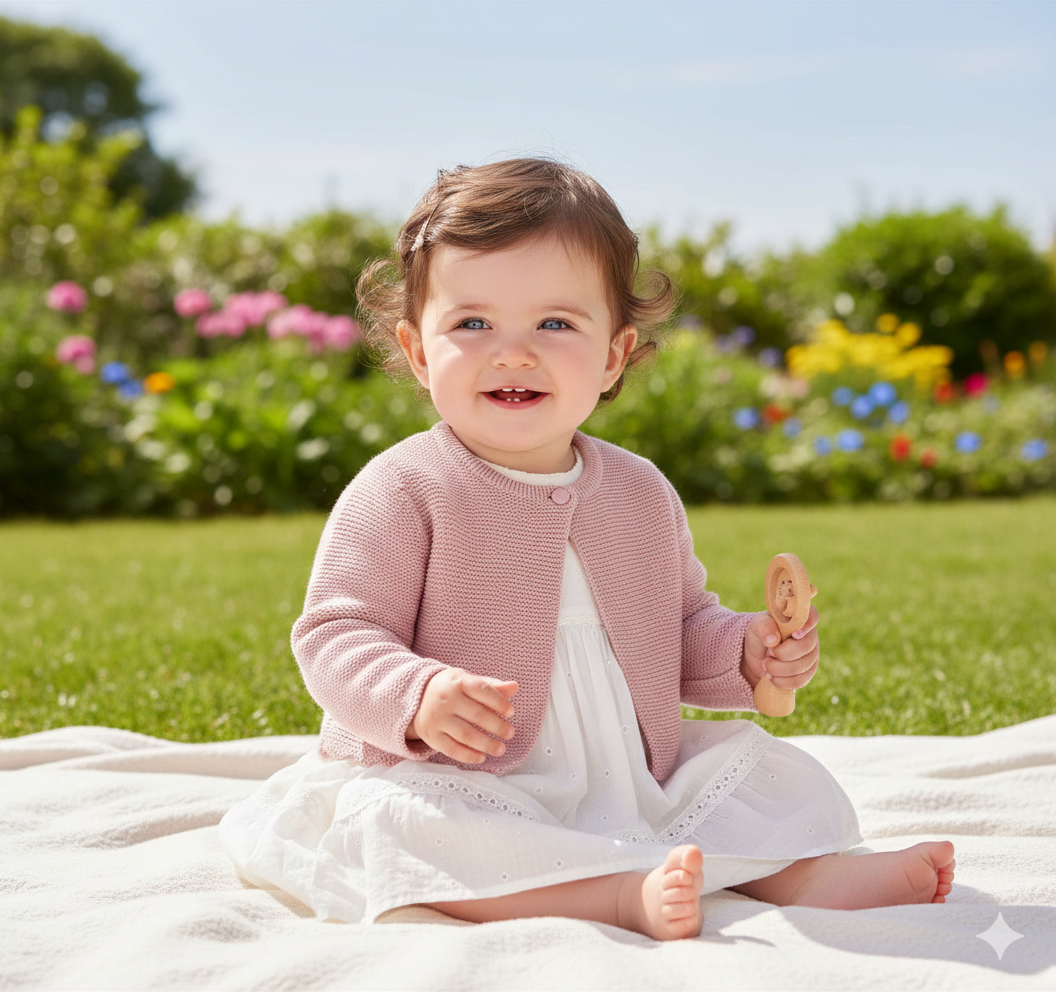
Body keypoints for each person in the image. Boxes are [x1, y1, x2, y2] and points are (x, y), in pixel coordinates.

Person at [219, 158, 955, 940]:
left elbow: (680, 628)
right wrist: (418, 697)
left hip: (627, 774)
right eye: (472, 323)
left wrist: (746, 653)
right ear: (420, 348)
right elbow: (336, 633)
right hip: (464, 777)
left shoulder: (639, 492)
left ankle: (809, 872)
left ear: (612, 355)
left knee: (766, 773)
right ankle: (607, 898)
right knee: (407, 829)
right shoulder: (405, 488)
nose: (513, 352)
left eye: (555, 323)